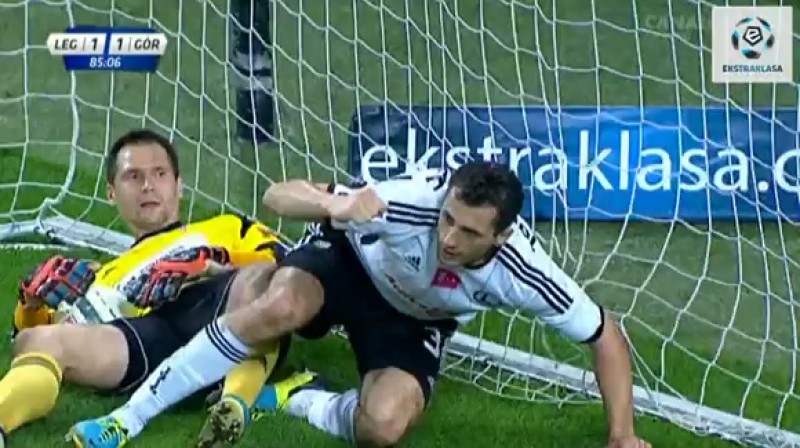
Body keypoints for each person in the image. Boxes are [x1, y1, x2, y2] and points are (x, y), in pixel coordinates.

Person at [72, 161, 652, 448]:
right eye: (448, 219)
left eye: (469, 233)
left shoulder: (526, 271)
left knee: (384, 427)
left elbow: (605, 334)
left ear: (500, 237)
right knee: (281, 305)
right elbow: (278, 195)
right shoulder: (409, 202)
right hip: (349, 266)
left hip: (414, 317)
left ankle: (298, 397)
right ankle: (127, 419)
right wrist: (335, 207)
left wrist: (622, 436)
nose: (449, 238)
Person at [0, 129, 307, 448]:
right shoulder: (102, 275)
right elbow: (37, 335)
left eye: (159, 174)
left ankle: (234, 402)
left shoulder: (226, 228)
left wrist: (213, 264)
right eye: (133, 176)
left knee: (262, 278)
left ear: (179, 185)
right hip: (146, 335)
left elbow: (288, 271)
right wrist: (31, 302)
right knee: (40, 341)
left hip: (216, 310)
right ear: (111, 192)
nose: (148, 185)